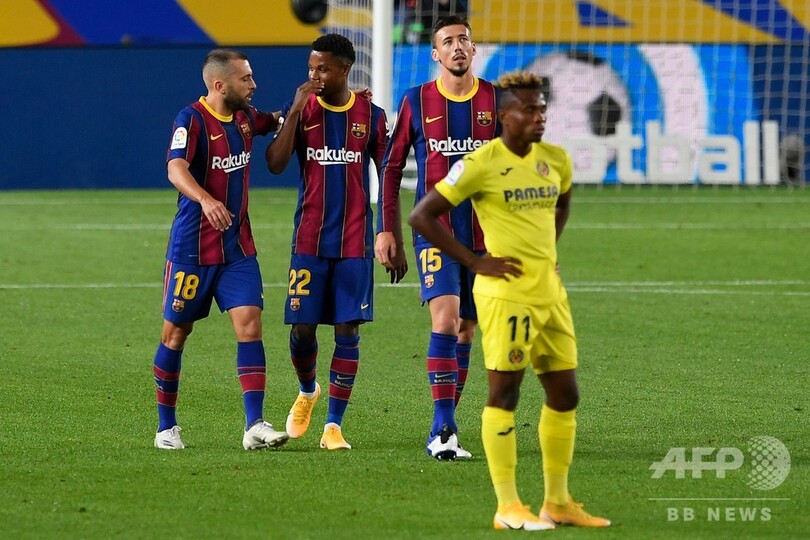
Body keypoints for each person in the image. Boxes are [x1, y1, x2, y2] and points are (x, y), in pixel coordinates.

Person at [408, 71, 611, 530]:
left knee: (566, 393)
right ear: (504, 115)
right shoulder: (480, 164)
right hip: (506, 297)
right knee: (506, 393)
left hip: (550, 293)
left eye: (543, 109)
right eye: (529, 109)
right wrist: (475, 261)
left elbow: (563, 202)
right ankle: (507, 506)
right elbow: (422, 216)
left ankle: (557, 502)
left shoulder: (555, 159)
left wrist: (548, 251)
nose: (540, 117)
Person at [266, 34, 400, 451]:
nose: (315, 76)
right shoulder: (303, 110)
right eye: (311, 68)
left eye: (323, 68)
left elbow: (388, 177)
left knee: (347, 328)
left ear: (345, 69)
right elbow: (275, 164)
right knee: (303, 329)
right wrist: (293, 111)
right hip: (308, 239)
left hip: (355, 241)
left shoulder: (372, 116)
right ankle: (308, 390)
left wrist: (389, 232)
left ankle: (333, 426)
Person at [152, 49, 289, 451]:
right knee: (175, 334)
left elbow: (278, 118)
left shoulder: (246, 118)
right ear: (219, 85)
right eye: (245, 79)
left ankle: (254, 425)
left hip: (237, 249)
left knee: (250, 326)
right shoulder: (191, 119)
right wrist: (206, 199)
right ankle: (166, 428)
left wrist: (318, 96)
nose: (253, 84)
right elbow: (175, 167)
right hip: (192, 249)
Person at [376, 15, 498, 460]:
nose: (457, 46)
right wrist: (385, 228)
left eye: (464, 39)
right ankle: (444, 429)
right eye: (448, 41)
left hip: (485, 236)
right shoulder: (416, 100)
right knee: (445, 321)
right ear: (435, 53)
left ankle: (441, 425)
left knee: (466, 330)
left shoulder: (495, 100)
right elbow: (391, 168)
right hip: (436, 232)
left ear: (474, 48)